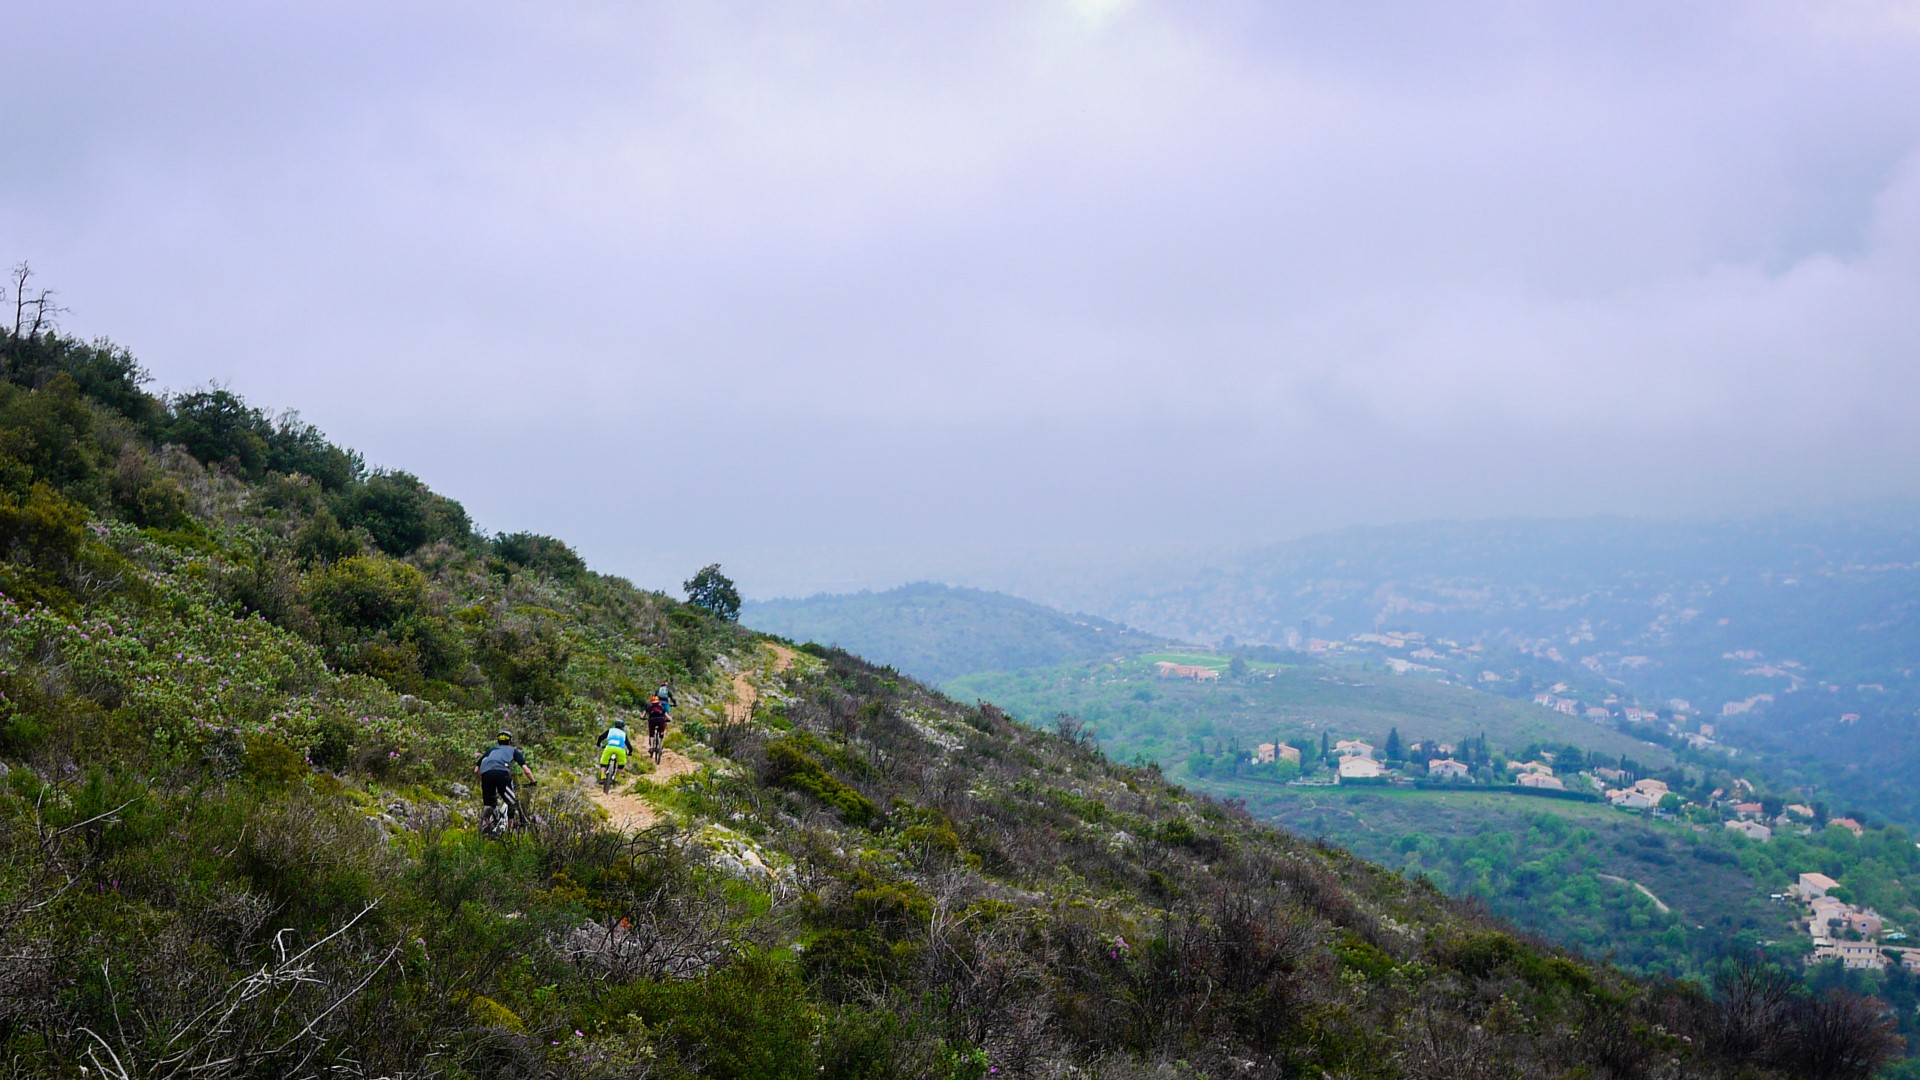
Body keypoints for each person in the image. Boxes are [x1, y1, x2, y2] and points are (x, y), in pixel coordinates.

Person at [475, 730, 534, 825]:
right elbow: (526, 770)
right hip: (502, 774)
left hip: (486, 774)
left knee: (489, 805)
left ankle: (484, 829)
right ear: (510, 742)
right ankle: (509, 832)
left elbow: (476, 769)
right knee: (512, 803)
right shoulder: (513, 750)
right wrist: (533, 781)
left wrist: (483, 779)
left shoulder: (491, 750)